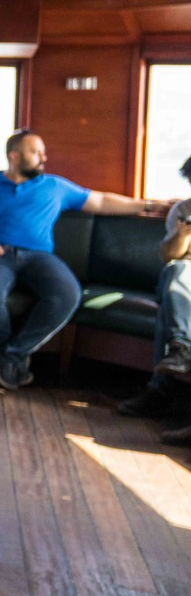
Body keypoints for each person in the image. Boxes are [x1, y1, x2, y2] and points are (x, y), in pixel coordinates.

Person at [0, 130, 171, 390]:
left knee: (68, 294)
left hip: (38, 257)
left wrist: (149, 205)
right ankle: (4, 350)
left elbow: (101, 201)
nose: (43, 158)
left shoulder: (55, 186)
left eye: (42, 152)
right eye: (35, 152)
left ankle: (12, 354)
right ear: (14, 156)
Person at [121, 154, 191, 440]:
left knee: (168, 305)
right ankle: (179, 348)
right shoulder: (182, 210)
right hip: (183, 279)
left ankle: (159, 390)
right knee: (176, 273)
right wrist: (182, 235)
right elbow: (169, 256)